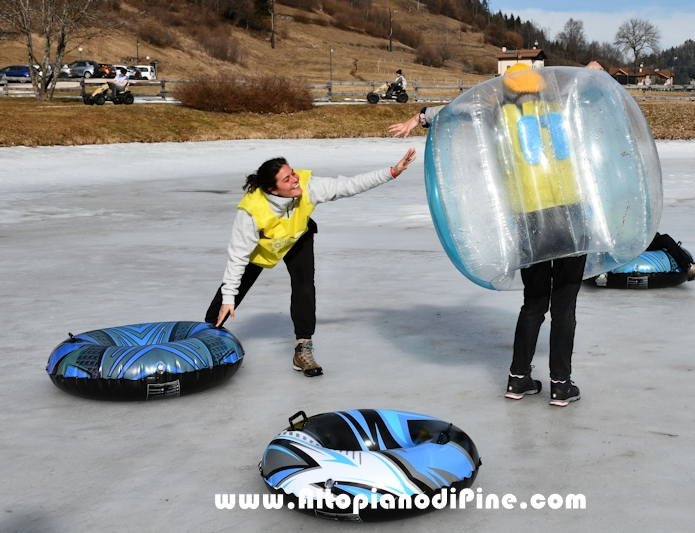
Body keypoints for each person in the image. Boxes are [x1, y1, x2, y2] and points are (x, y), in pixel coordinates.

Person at [388, 64, 583, 406]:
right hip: (570, 213)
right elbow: (585, 84)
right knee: (564, 307)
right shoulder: (558, 106)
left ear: (507, 89)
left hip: (529, 217)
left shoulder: (498, 114)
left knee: (534, 303)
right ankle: (561, 384)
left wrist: (421, 117)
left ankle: (518, 379)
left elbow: (460, 107)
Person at [204, 148, 417, 377]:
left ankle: (303, 348)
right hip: (260, 248)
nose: (295, 179)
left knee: (304, 286)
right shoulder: (251, 211)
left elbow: (349, 185)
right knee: (230, 294)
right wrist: (229, 298)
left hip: (297, 237)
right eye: (287, 179)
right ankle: (206, 337)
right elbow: (237, 257)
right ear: (272, 189)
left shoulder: (307, 187)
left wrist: (393, 172)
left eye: (292, 173)